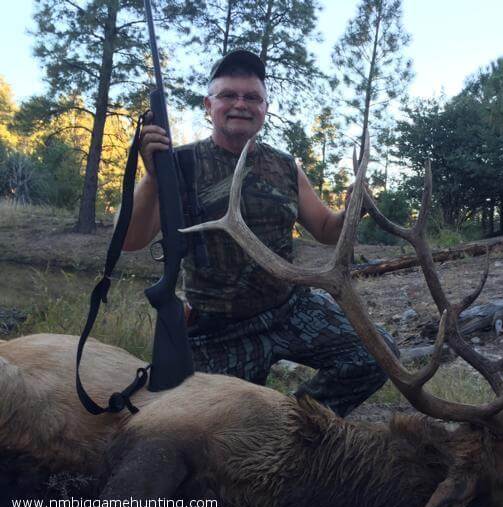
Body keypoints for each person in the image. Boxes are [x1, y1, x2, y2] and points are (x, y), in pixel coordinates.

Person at [122, 49, 398, 417]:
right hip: (219, 327)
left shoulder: (284, 166)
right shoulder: (179, 165)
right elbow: (131, 240)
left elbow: (326, 230)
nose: (241, 104)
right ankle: (264, 424)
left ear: (265, 108)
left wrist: (353, 209)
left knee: (378, 354)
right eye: (228, 95)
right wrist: (153, 178)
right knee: (217, 426)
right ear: (208, 105)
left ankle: (296, 426)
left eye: (252, 97)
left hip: (290, 309)